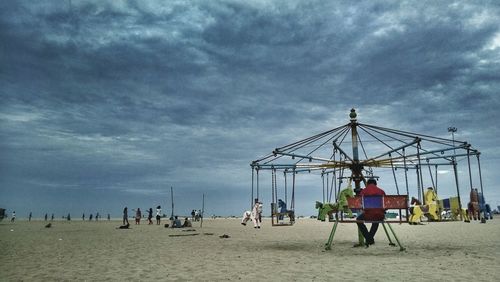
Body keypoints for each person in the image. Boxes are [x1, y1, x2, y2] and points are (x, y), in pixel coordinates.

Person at [356, 178, 386, 246]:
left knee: (358, 220)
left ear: (367, 184)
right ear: (375, 184)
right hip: (379, 215)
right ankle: (370, 239)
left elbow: (359, 204)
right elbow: (385, 205)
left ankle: (368, 238)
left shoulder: (364, 191)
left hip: (368, 214)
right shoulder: (381, 191)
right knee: (377, 220)